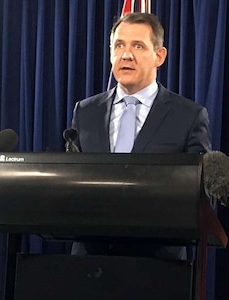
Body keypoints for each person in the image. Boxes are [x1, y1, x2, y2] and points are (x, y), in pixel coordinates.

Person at [69, 11, 212, 259]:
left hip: (157, 265)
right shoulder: (85, 111)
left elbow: (200, 193)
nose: (126, 55)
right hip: (91, 262)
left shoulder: (188, 116)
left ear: (159, 56)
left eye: (138, 46)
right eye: (119, 45)